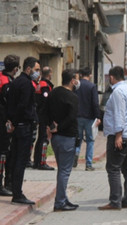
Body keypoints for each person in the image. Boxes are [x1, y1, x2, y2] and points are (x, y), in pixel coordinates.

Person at [98, 66, 127, 210]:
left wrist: (118, 135)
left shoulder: (118, 92)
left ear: (112, 77)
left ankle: (115, 201)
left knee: (113, 168)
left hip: (122, 135)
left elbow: (119, 114)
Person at [46, 69, 80, 211]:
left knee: (62, 170)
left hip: (56, 138)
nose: (78, 82)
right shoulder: (72, 97)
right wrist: (58, 128)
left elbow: (44, 110)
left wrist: (51, 126)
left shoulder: (53, 92)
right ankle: (60, 202)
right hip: (67, 137)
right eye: (77, 79)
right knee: (65, 171)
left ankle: (63, 198)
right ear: (72, 80)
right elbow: (71, 117)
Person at [6, 57, 40, 205]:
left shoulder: (15, 82)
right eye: (36, 69)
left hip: (16, 126)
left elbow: (10, 105)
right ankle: (17, 193)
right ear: (28, 69)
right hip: (24, 127)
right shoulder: (26, 84)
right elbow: (24, 106)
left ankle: (14, 188)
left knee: (14, 159)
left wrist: (12, 121)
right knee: (21, 160)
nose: (37, 73)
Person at [74, 67, 101, 170]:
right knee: (90, 140)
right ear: (90, 74)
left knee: (78, 139)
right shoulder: (92, 86)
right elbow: (95, 103)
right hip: (89, 117)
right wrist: (98, 116)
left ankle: (76, 154)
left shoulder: (77, 85)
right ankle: (88, 164)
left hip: (78, 116)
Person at [0, 55, 19, 196]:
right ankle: (4, 184)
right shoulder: (7, 82)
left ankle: (8, 182)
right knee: (4, 153)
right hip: (4, 122)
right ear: (16, 68)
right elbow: (9, 103)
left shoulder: (4, 78)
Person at [33, 66, 55, 170]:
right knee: (44, 139)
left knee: (40, 138)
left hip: (39, 115)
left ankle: (37, 161)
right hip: (44, 116)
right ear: (49, 74)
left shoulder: (39, 84)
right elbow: (46, 103)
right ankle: (41, 162)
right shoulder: (45, 86)